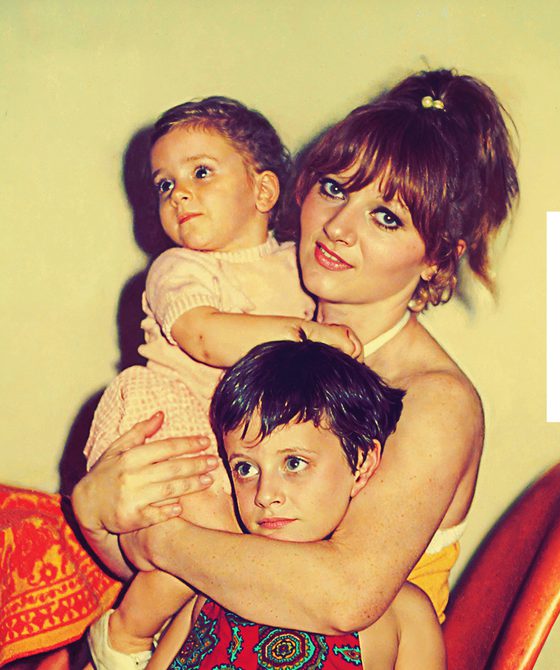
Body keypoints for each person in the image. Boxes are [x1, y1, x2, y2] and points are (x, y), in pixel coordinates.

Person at [71, 69, 519, 642]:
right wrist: (94, 509)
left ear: (437, 259)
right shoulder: (261, 334)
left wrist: (159, 539)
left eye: (386, 217)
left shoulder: (434, 398)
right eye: (334, 189)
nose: (337, 228)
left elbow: (342, 596)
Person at [81, 97, 362, 669]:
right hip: (169, 416)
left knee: (234, 550)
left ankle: (173, 641)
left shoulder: (295, 267)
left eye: (201, 173)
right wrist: (311, 335)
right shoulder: (180, 267)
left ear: (262, 192)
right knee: (209, 538)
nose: (179, 193)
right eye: (165, 185)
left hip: (239, 438)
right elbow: (206, 337)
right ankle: (126, 635)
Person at [147, 339, 443, 670]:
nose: (265, 494)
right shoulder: (212, 590)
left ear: (361, 463)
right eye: (245, 468)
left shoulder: (402, 614)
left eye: (293, 463)